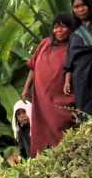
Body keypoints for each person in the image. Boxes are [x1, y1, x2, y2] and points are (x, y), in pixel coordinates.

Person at [22, 13, 76, 157]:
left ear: (70, 29)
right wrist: (26, 87)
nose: (59, 31)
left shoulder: (73, 46)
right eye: (56, 27)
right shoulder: (45, 43)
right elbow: (33, 67)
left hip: (61, 96)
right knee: (41, 128)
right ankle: (43, 160)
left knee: (60, 126)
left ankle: (64, 157)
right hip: (41, 95)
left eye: (63, 27)